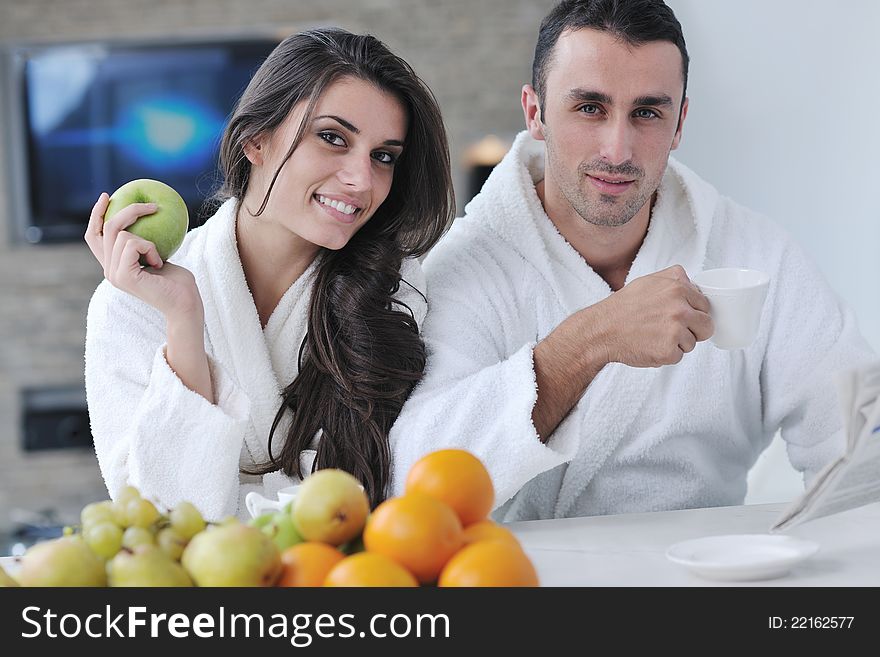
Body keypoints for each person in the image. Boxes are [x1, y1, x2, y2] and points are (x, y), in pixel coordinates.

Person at [389, 0, 878, 522]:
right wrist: (593, 338)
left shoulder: (755, 256)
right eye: (590, 108)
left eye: (647, 112)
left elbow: (858, 447)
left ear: (680, 122)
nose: (618, 150)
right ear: (535, 112)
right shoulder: (465, 267)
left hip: (701, 579)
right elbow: (416, 481)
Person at [84, 28, 453, 521]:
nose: (362, 180)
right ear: (255, 141)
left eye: (383, 156)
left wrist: (237, 503)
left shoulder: (394, 288)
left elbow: (394, 490)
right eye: (332, 138)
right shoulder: (131, 302)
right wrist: (184, 322)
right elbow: (161, 519)